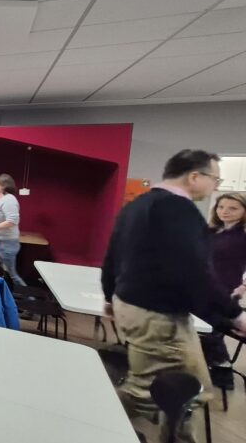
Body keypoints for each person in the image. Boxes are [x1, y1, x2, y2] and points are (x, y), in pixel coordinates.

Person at [102, 149, 246, 443]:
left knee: (188, 388)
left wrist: (109, 296)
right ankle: (86, 418)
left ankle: (175, 436)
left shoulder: (138, 204)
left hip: (134, 305)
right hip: (157, 315)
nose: (215, 187)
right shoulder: (179, 210)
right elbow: (193, 272)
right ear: (194, 176)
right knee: (155, 392)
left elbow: (113, 254)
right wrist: (234, 314)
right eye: (215, 179)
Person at [201, 192, 246, 390]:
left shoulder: (242, 236)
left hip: (226, 292)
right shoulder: (212, 231)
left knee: (212, 334)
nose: (225, 211)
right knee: (201, 332)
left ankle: (223, 374)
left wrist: (243, 287)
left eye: (233, 208)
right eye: (221, 207)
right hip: (204, 289)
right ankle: (206, 369)